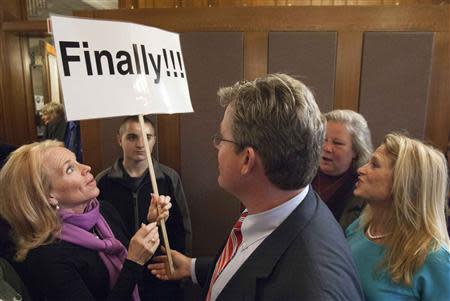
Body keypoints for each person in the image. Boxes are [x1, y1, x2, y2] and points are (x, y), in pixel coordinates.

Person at [149, 74, 364, 300]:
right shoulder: (274, 204)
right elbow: (249, 266)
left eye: (222, 138)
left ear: (247, 160)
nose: (217, 147)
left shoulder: (311, 288)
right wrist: (192, 268)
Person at [0, 140, 171, 301]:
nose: (86, 168)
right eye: (70, 169)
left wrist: (152, 224)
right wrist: (134, 261)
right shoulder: (47, 257)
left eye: (77, 161)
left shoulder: (104, 211)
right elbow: (132, 267)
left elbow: (142, 276)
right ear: (48, 196)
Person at [96, 116, 192, 301]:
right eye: (132, 137)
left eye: (147, 137)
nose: (140, 144)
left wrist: (181, 272)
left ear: (154, 140)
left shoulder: (168, 178)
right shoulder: (103, 181)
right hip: (121, 273)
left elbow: (183, 228)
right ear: (119, 139)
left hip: (160, 273)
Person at [346, 133, 450, 301]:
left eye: (374, 165)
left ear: (404, 182)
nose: (361, 169)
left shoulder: (436, 259)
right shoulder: (360, 226)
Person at [312, 109, 372, 229]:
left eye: (337, 143)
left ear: (356, 150)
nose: (327, 148)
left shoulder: (363, 189)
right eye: (323, 139)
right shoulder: (301, 174)